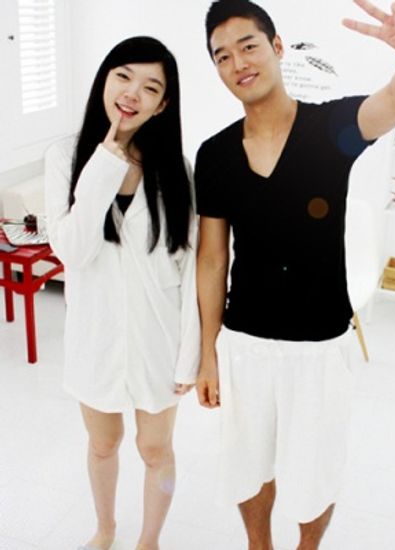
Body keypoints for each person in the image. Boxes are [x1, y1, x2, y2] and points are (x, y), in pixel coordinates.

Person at [194, 0, 395, 548]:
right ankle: (259, 544)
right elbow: (211, 259)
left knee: (315, 472)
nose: (238, 63)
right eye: (222, 56)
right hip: (246, 342)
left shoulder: (332, 129)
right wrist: (207, 352)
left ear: (277, 47)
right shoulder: (214, 155)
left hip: (320, 344)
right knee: (247, 465)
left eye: (248, 46)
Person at [44, 36, 199, 550]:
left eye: (150, 87)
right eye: (123, 76)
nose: (132, 93)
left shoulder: (178, 170)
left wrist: (191, 356)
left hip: (159, 337)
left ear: (163, 104)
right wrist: (103, 167)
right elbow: (72, 250)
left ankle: (149, 540)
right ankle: (105, 529)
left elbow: (191, 268)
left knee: (156, 449)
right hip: (95, 333)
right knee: (103, 443)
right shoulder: (65, 156)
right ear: (104, 80)